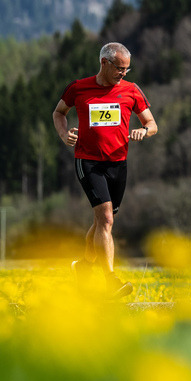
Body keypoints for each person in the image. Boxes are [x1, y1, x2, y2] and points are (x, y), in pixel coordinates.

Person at [53, 42, 158, 299]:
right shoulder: (79, 88)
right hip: (88, 162)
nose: (123, 73)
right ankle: (111, 279)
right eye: (119, 68)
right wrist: (64, 133)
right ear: (104, 63)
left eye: (126, 69)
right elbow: (58, 112)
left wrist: (143, 131)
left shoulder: (131, 91)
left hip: (118, 163)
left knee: (103, 223)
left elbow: (152, 123)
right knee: (106, 219)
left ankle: (83, 267)